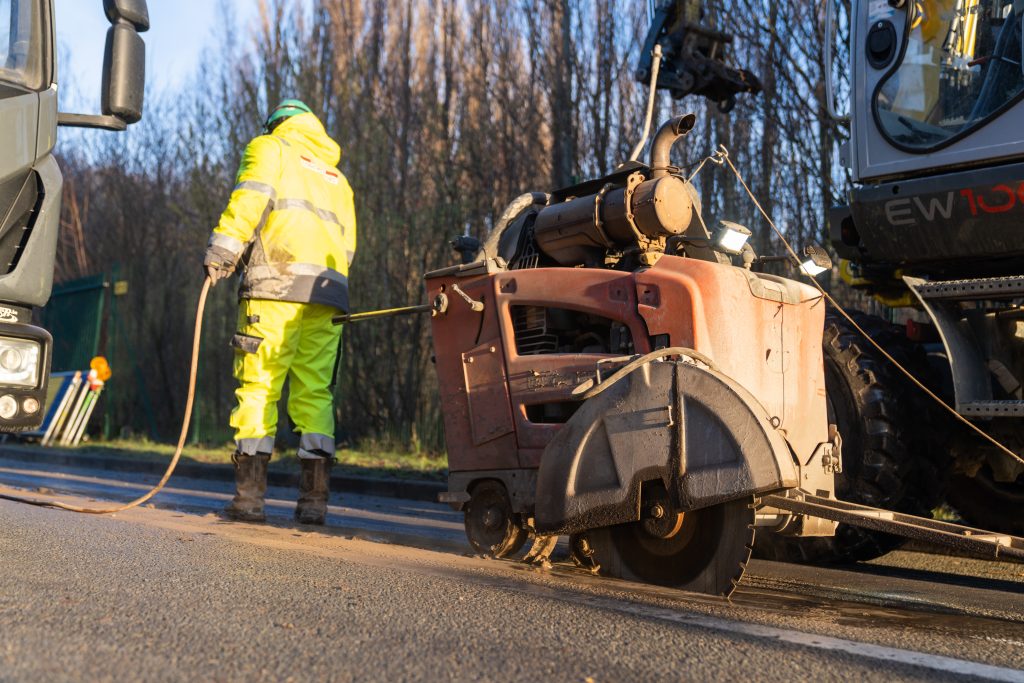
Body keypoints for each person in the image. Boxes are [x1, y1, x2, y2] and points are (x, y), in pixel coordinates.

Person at [203, 99, 357, 525]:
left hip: (274, 286)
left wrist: (223, 251)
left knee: (259, 386)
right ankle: (313, 504)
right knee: (315, 393)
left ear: (275, 125)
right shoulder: (337, 179)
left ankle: (249, 500)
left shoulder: (270, 149)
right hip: (327, 296)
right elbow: (346, 249)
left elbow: (249, 201)